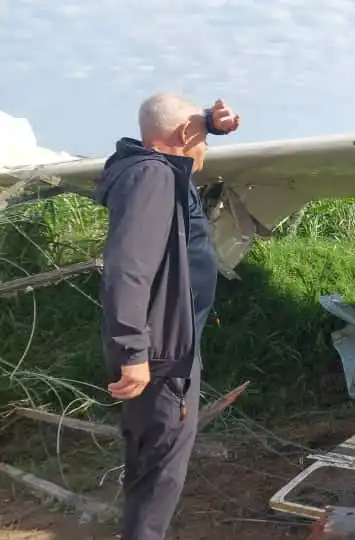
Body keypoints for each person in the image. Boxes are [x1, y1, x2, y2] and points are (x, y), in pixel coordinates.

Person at [93, 93, 240, 539]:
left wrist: (208, 126)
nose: (207, 147)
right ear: (182, 134)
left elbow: (178, 137)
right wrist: (132, 349)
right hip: (160, 357)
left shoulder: (151, 168)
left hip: (164, 347)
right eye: (203, 137)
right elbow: (128, 267)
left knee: (152, 465)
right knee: (160, 474)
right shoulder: (153, 178)